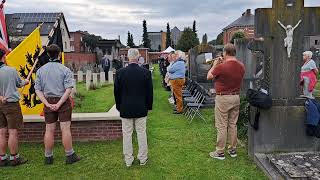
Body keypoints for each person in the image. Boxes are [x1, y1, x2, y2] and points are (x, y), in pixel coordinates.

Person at [35, 44, 81, 165]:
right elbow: (68, 89)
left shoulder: (40, 71)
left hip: (48, 101)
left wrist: (47, 103)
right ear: (59, 54)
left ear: (48, 54)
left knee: (49, 129)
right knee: (65, 129)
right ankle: (70, 155)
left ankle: (48, 157)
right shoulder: (65, 70)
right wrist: (60, 103)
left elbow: (38, 90)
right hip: (63, 101)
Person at [114, 48, 153, 167]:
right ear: (138, 57)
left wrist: (119, 106)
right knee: (141, 133)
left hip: (126, 107)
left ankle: (128, 159)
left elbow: (116, 92)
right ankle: (142, 158)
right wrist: (148, 106)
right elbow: (149, 93)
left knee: (127, 134)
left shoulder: (120, 72)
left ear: (128, 57)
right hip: (141, 107)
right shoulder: (145, 72)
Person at [207, 43, 245, 160]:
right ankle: (232, 150)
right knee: (233, 124)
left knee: (222, 125)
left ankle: (220, 152)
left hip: (223, 98)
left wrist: (214, 65)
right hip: (235, 97)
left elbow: (209, 76)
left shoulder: (221, 67)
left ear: (225, 52)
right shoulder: (241, 66)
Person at [0, 49, 29, 167]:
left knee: (1, 132)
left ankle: (2, 158)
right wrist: (25, 82)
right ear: (3, 57)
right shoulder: (11, 70)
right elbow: (19, 83)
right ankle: (14, 158)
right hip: (11, 105)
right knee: (12, 132)